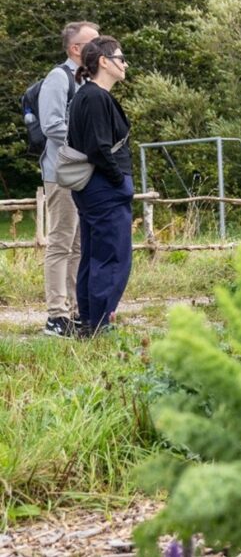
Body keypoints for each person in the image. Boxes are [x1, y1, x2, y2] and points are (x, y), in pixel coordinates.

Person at [65, 36, 132, 336]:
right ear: (104, 61)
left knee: (94, 254)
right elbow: (98, 148)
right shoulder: (93, 97)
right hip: (104, 189)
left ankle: (91, 321)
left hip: (97, 189)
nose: (125, 63)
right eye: (120, 58)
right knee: (111, 255)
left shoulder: (89, 95)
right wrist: (119, 180)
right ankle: (100, 323)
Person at [38, 21, 99, 337]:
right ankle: (55, 316)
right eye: (94, 41)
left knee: (78, 244)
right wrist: (88, 147)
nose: (100, 45)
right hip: (61, 173)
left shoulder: (86, 80)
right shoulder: (57, 78)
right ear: (76, 48)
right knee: (61, 242)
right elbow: (51, 126)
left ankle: (75, 312)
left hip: (81, 173)